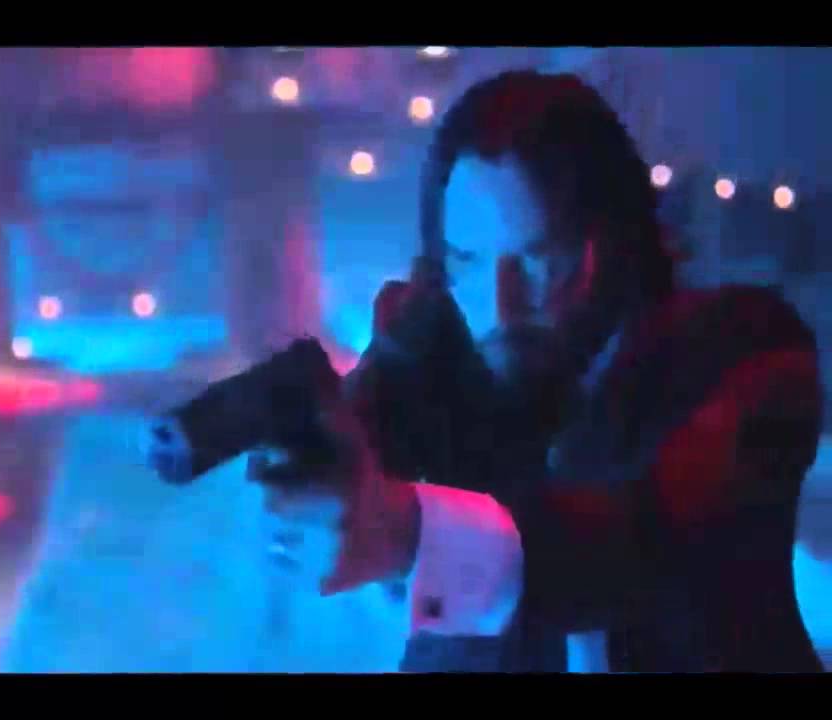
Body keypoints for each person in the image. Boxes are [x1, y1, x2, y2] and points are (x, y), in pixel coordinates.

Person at [251, 70, 825, 672]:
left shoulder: (744, 351)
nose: (503, 307)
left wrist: (410, 532)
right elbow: (344, 466)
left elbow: (643, 540)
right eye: (468, 262)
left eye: (539, 261)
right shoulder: (439, 369)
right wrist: (334, 450)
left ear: (614, 247)